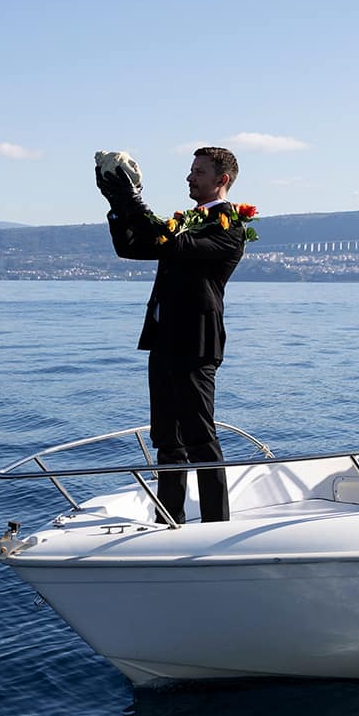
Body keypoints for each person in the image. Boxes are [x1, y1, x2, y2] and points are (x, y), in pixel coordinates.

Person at [98, 146, 248, 524]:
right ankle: (169, 519)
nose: (189, 177)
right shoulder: (189, 223)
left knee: (200, 437)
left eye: (198, 171)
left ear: (221, 180)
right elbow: (130, 248)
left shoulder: (229, 229)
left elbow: (176, 244)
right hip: (163, 341)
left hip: (197, 343)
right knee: (166, 439)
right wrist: (116, 204)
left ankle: (216, 524)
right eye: (191, 170)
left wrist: (133, 198)